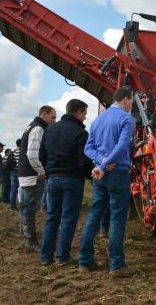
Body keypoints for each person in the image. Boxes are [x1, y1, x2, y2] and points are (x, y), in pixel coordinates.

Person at [79, 87, 135, 277]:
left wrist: (101, 162)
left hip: (99, 175)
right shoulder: (127, 119)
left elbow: (88, 148)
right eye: (132, 102)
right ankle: (117, 265)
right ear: (126, 99)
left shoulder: (97, 120)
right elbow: (121, 147)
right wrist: (105, 164)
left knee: (94, 214)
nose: (132, 105)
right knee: (117, 219)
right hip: (117, 172)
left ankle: (85, 261)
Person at [39, 99, 93, 266]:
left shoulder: (49, 130)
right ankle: (62, 257)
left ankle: (46, 256)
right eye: (84, 113)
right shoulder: (80, 133)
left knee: (51, 218)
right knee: (69, 218)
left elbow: (42, 155)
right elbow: (84, 160)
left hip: (52, 179)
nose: (85, 117)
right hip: (72, 179)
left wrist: (49, 170)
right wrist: (86, 175)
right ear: (77, 112)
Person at [18, 105, 57, 252]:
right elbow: (32, 154)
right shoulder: (38, 128)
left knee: (25, 207)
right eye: (52, 117)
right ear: (43, 114)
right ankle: (30, 241)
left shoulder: (30, 126)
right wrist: (41, 171)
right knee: (30, 208)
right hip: (31, 175)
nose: (54, 120)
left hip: (25, 173)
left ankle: (26, 236)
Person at [9, 139, 21, 211]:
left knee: (13, 189)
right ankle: (18, 204)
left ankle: (12, 205)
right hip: (19, 172)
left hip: (12, 172)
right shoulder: (22, 152)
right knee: (20, 189)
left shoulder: (13, 152)